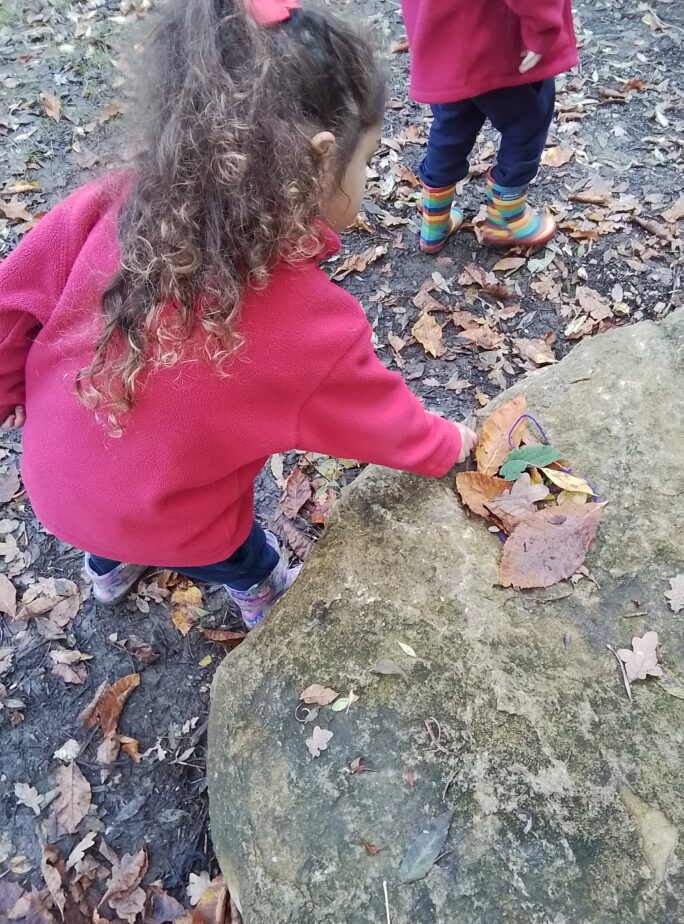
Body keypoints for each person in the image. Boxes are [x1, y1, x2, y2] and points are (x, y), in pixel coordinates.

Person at [0, 0, 476, 629]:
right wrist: (450, 444)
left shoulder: (100, 207)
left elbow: (10, 311)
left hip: (56, 489)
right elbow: (382, 421)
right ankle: (264, 597)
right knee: (238, 552)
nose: (366, 177)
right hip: (184, 523)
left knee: (112, 502)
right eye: (364, 161)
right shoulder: (312, 328)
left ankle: (108, 572)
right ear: (318, 160)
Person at [400, 0, 578, 254]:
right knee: (528, 118)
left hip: (442, 32)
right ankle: (508, 216)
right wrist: (542, 26)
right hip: (495, 35)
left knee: (453, 122)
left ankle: (434, 222)